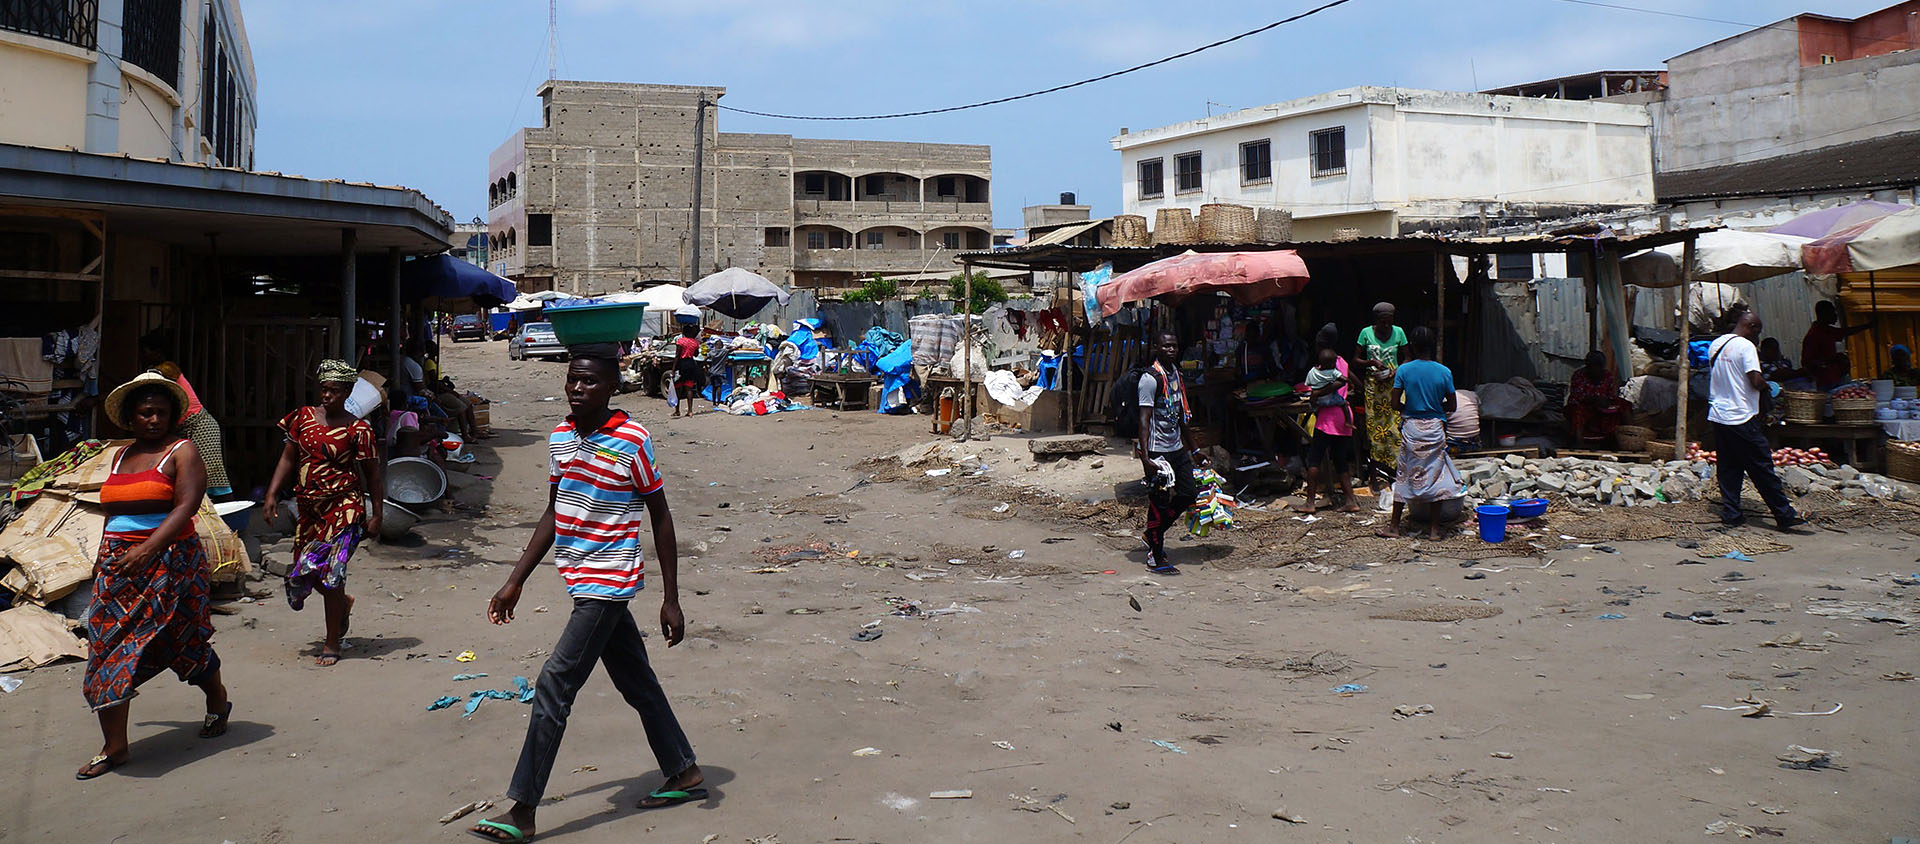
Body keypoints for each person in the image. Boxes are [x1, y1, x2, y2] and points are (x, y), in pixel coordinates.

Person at [471, 351, 702, 843]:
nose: (577, 389)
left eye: (590, 383)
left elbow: (660, 516)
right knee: (636, 681)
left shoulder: (633, 440)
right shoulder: (559, 439)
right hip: (579, 578)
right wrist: (516, 580)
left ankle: (523, 810)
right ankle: (683, 770)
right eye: (573, 381)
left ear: (612, 388)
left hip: (609, 582)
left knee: (555, 684)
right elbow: (554, 512)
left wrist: (671, 598)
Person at [76, 373, 231, 779]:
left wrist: (147, 549)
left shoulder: (183, 451)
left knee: (184, 640)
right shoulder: (120, 456)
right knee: (107, 646)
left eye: (162, 412)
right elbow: (113, 513)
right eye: (146, 412)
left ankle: (217, 700)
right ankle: (115, 747)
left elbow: (186, 507)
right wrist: (107, 556)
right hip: (119, 566)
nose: (154, 419)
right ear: (130, 418)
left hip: (171, 562)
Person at [263, 360, 384, 667]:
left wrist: (377, 514)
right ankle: (342, 604)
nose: (327, 395)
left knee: (331, 574)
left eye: (334, 391)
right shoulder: (302, 418)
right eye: (324, 389)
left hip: (344, 508)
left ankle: (332, 643)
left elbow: (373, 475)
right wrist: (272, 493)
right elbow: (288, 458)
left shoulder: (359, 429)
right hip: (308, 510)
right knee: (302, 572)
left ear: (347, 392)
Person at [1709, 310, 1810, 532]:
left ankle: (1732, 514)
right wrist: (1768, 387)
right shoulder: (1746, 347)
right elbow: (1754, 379)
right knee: (1762, 467)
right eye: (1758, 332)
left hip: (1719, 414)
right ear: (1752, 327)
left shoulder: (1716, 344)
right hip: (1742, 416)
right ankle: (1784, 515)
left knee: (1728, 468)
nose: (1759, 338)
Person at [1382, 328, 1462, 540]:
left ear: (1414, 346)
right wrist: (1434, 407)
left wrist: (1410, 408)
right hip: (1435, 428)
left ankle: (1394, 527)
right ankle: (1435, 530)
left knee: (1404, 474)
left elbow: (1394, 403)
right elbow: (1452, 405)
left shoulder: (1404, 371)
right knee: (1435, 475)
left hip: (1411, 429)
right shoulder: (1444, 371)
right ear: (1433, 346)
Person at [137, 332, 232, 499]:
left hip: (200, 427)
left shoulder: (163, 371)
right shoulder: (162, 371)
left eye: (144, 351)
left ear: (156, 352)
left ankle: (226, 520)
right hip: (189, 427)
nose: (142, 356)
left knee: (210, 478)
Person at [1134, 332, 1195, 574]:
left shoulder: (1176, 375)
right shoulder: (1150, 379)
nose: (1171, 349)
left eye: (1174, 345)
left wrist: (1196, 449)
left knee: (1188, 493)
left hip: (1177, 447)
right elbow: (1144, 420)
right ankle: (1156, 557)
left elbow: (1182, 417)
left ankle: (1152, 534)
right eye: (1166, 345)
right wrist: (1145, 456)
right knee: (1158, 503)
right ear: (1157, 348)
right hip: (1157, 450)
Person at [1296, 326, 1359, 514]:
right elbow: (1354, 382)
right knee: (1340, 460)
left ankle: (1309, 502)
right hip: (1344, 416)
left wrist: (1317, 394)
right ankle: (1351, 500)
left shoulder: (1320, 367)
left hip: (1328, 418)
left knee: (1314, 459)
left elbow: (1320, 388)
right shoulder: (1342, 362)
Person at [1355, 303, 1408, 483]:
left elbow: (1407, 357)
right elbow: (1355, 360)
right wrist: (1371, 362)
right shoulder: (1365, 333)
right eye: (1383, 322)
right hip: (1373, 387)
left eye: (1389, 322)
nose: (1387, 326)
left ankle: (1396, 471)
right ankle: (1376, 473)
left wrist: (1396, 370)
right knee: (1374, 430)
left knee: (1394, 428)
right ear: (1376, 320)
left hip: (1393, 385)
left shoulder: (1399, 332)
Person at [1566, 351, 1634, 445]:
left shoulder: (1607, 376)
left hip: (1602, 406)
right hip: (1584, 406)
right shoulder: (1579, 375)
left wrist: (1605, 401)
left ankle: (1631, 437)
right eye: (1591, 367)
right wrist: (1594, 399)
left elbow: (1610, 395)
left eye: (1598, 367)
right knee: (1577, 411)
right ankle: (1579, 443)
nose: (1595, 370)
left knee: (1624, 404)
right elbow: (1577, 397)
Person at [1801, 300, 1870, 389]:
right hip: (1826, 381)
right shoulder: (1814, 335)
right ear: (1823, 314)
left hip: (1836, 377)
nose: (1835, 315)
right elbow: (1807, 362)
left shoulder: (1827, 331)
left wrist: (1867, 326)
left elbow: (1845, 332)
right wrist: (1831, 361)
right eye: (1832, 312)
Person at [670, 323, 705, 418]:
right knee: (689, 388)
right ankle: (690, 411)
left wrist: (673, 369)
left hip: (681, 364)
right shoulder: (695, 342)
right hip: (691, 364)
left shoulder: (680, 341)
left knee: (678, 388)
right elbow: (696, 354)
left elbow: (677, 356)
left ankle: (677, 410)